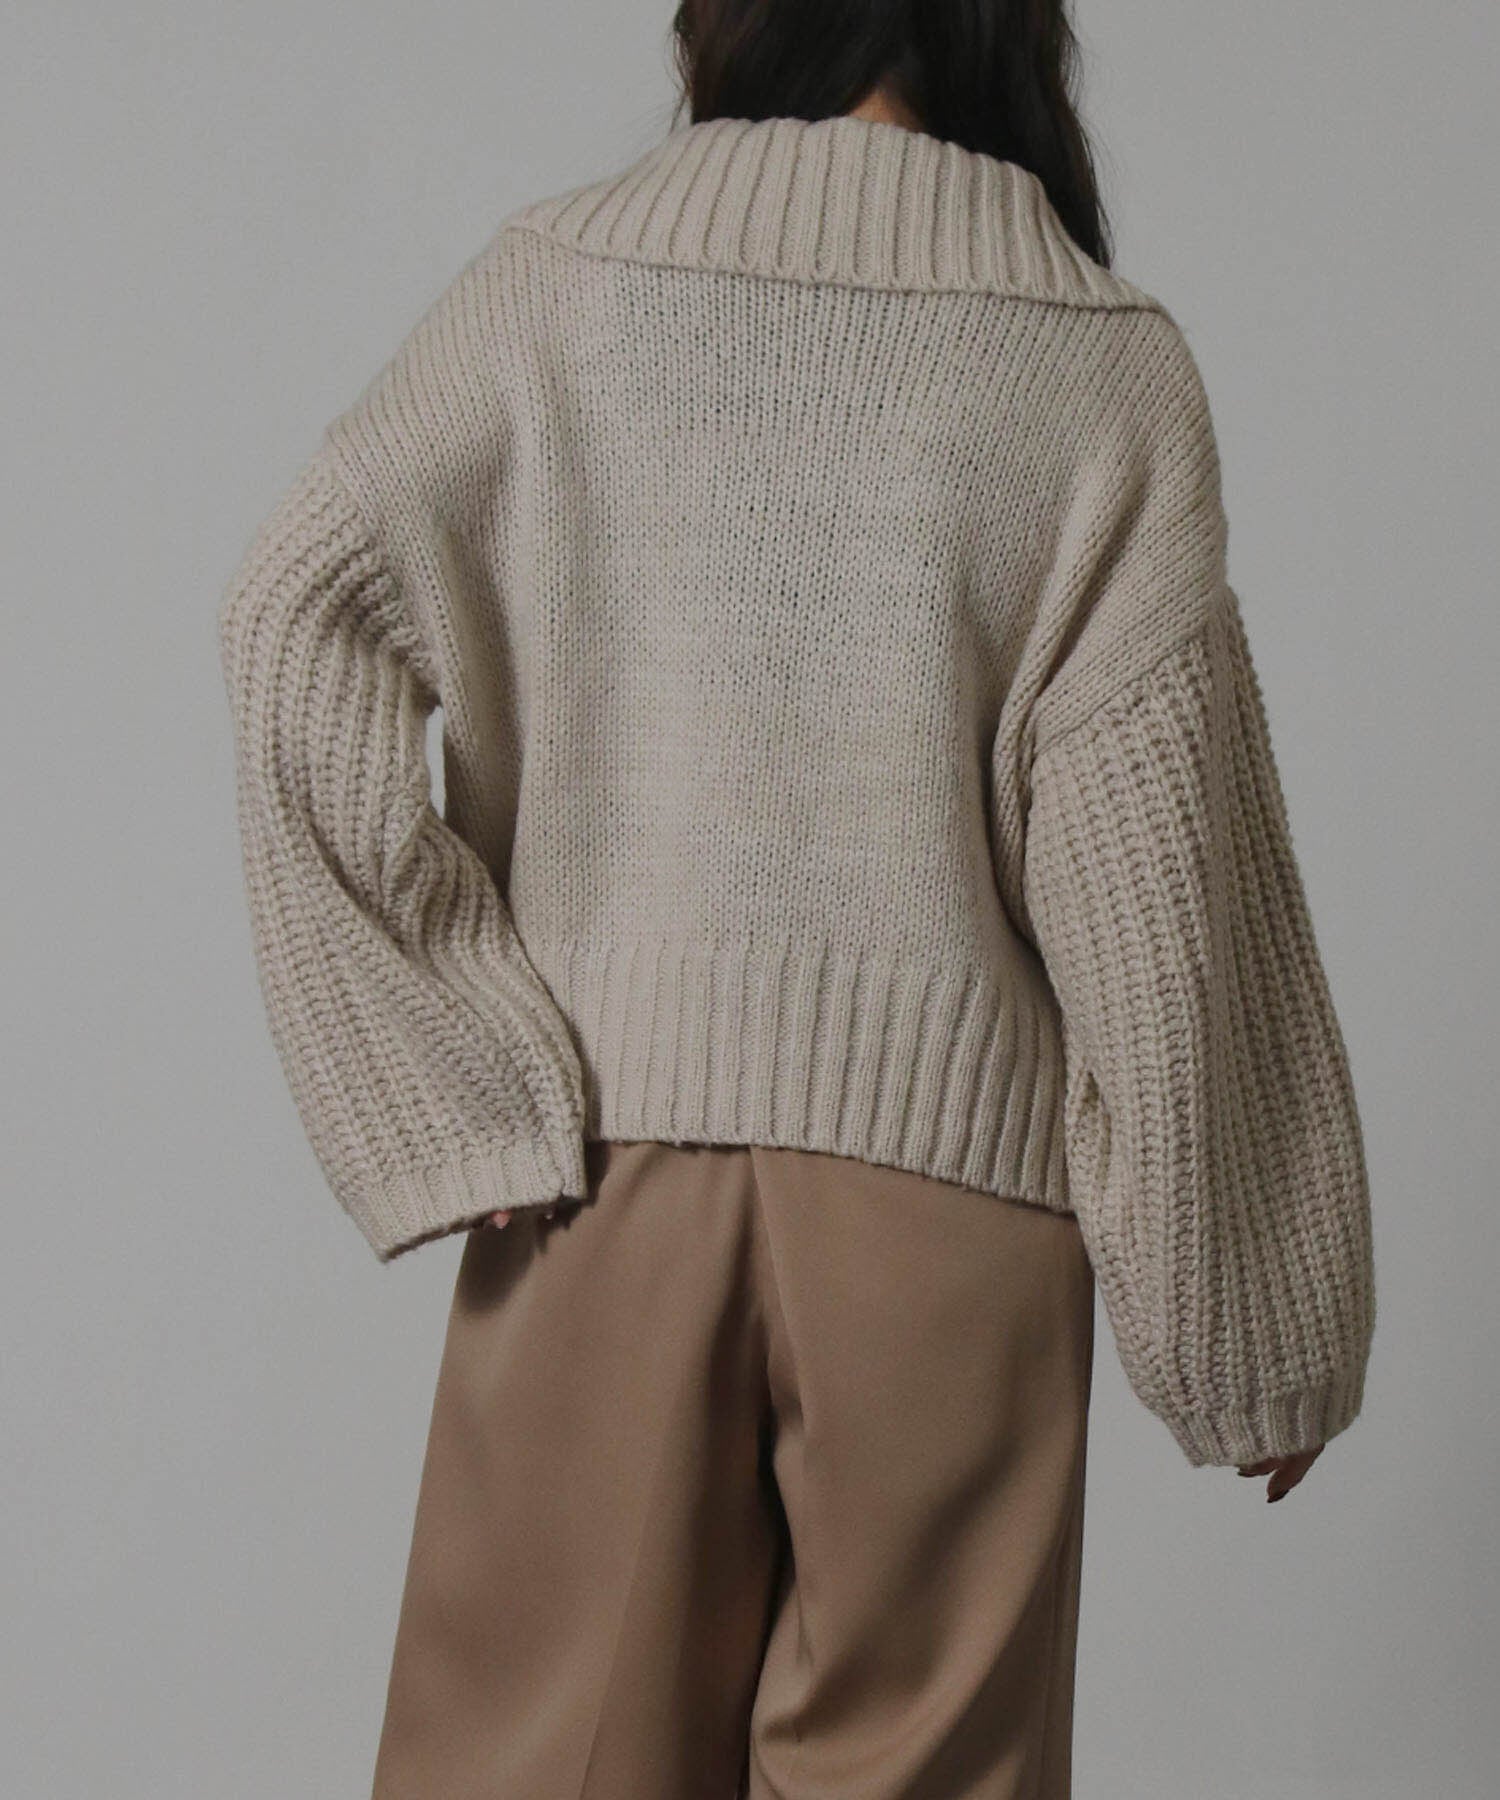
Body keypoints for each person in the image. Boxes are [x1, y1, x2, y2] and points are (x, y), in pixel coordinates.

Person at [215, 3, 1377, 1794]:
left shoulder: (559, 286)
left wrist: (459, 1073)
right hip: (953, 1222)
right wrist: (1255, 1319)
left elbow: (294, 618)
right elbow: (1162, 886)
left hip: (597, 1187)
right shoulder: (1097, 359)